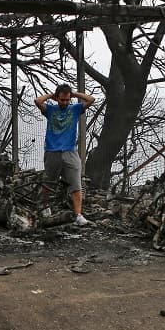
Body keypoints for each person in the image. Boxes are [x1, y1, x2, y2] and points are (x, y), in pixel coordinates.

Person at [35, 84, 95, 226]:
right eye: (62, 100)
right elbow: (38, 101)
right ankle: (44, 207)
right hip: (52, 151)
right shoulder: (50, 110)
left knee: (76, 184)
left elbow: (91, 100)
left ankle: (78, 215)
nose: (65, 102)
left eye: (67, 100)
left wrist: (74, 94)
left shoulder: (75, 109)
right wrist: (51, 95)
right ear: (57, 98)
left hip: (70, 151)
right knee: (48, 182)